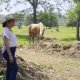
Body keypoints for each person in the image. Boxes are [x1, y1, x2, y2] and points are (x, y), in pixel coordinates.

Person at [1, 16, 18, 80]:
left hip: (11, 51)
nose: (14, 23)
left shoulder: (9, 30)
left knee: (10, 69)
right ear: (8, 22)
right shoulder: (6, 30)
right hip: (8, 51)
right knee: (15, 68)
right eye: (13, 22)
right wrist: (10, 55)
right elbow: (6, 43)